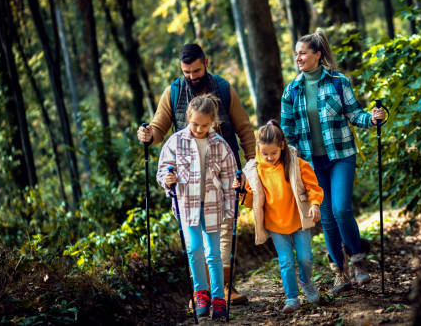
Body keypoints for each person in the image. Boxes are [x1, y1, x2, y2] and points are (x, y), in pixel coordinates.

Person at [137, 43, 254, 304]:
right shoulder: (174, 92)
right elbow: (159, 126)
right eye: (187, 71)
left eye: (196, 70)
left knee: (223, 232)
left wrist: (251, 163)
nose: (192, 76)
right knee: (196, 242)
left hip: (223, 172)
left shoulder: (223, 88)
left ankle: (223, 289)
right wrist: (148, 135)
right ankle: (202, 292)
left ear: (206, 62)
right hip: (188, 181)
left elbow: (244, 127)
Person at [280, 31, 386, 295]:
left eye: (303, 53)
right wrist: (287, 152)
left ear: (317, 54)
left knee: (341, 210)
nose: (298, 57)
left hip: (341, 154)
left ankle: (358, 261)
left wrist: (372, 119)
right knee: (326, 217)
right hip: (311, 163)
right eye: (296, 53)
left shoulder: (339, 82)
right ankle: (340, 272)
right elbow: (287, 128)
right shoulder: (291, 90)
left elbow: (354, 113)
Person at [156, 95, 237, 319]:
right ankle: (201, 293)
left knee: (213, 253)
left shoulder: (220, 144)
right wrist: (167, 179)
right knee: (194, 249)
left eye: (205, 125)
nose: (199, 129)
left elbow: (230, 177)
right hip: (186, 205)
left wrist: (232, 208)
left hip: (212, 205)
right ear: (187, 119)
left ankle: (219, 297)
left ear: (213, 122)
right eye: (195, 124)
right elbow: (163, 170)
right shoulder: (175, 141)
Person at [234, 120, 324, 314]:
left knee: (305, 257)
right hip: (274, 223)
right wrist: (241, 192)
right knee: (286, 261)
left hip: (298, 219)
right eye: (264, 154)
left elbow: (313, 187)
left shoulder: (297, 163)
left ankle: (307, 282)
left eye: (273, 153)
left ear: (282, 146)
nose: (269, 157)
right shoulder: (255, 170)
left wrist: (315, 204)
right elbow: (252, 200)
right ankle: (292, 298)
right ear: (259, 149)